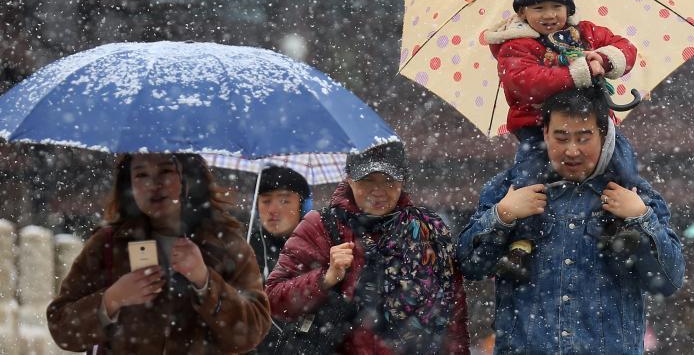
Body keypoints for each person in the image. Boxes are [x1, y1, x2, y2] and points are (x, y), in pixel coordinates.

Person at [457, 87, 684, 354]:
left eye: (583, 138)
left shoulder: (635, 194)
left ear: (604, 135)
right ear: (545, 133)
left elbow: (668, 281)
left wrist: (641, 218)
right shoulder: (509, 189)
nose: (572, 151)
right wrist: (501, 216)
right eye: (561, 137)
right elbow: (470, 266)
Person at [486, 0, 642, 256]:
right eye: (538, 7)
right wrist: (578, 73)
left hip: (593, 120)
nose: (549, 15)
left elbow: (626, 48)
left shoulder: (584, 33)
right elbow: (527, 82)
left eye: (557, 5)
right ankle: (523, 242)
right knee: (529, 181)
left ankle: (619, 224)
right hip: (535, 128)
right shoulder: (515, 46)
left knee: (624, 163)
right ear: (521, 13)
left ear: (568, 7)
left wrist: (603, 59)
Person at [47, 153, 272, 354]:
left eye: (166, 171)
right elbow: (62, 329)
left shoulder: (227, 246)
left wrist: (204, 280)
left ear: (187, 179)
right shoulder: (107, 244)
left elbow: (251, 333)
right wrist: (112, 299)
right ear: (130, 185)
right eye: (141, 175)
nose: (154, 184)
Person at [265, 142, 470, 354]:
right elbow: (272, 299)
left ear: (403, 181)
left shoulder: (429, 230)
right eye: (368, 180)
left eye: (389, 180)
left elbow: (454, 314)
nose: (378, 191)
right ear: (350, 180)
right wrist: (326, 278)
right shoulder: (321, 226)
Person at [250, 165, 311, 354]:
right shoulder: (242, 250)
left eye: (284, 200)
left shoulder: (321, 248)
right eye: (266, 201)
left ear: (303, 205)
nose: (273, 210)